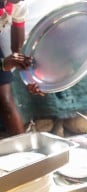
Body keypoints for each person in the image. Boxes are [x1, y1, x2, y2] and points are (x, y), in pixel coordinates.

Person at [0, 0, 43, 136]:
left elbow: (17, 52)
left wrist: (28, 75)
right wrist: (3, 65)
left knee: (6, 102)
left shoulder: (17, 3)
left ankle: (24, 154)